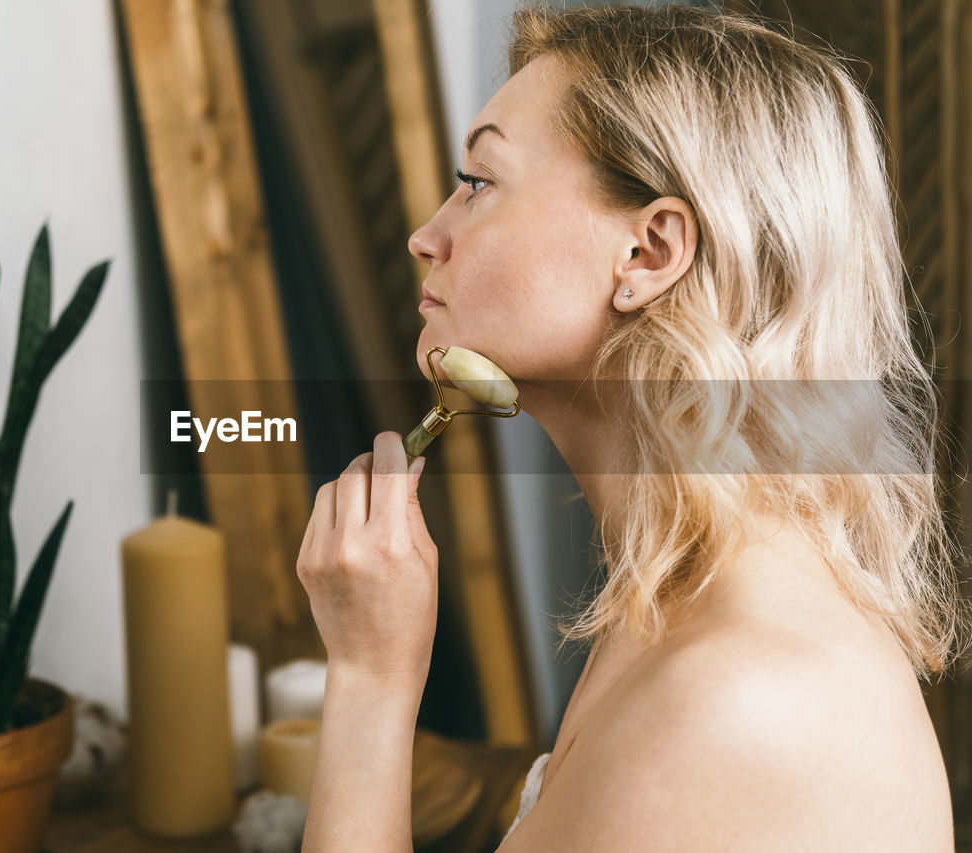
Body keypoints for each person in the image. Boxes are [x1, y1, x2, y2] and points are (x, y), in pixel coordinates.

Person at [295, 3, 971, 851]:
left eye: (479, 183)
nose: (427, 234)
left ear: (649, 253)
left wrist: (370, 678)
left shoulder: (735, 696)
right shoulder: (673, 605)